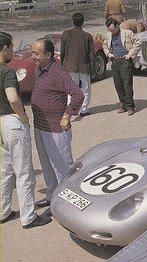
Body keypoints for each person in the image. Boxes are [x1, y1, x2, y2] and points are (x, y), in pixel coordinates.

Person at [0, 32, 51, 229]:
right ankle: (28, 216)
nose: (12, 51)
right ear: (4, 49)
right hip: (12, 122)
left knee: (5, 171)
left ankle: (3, 211)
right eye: (11, 48)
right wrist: (23, 116)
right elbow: (13, 98)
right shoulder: (7, 72)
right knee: (23, 171)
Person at [31, 38, 84, 208]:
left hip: (55, 129)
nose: (33, 57)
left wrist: (67, 115)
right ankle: (53, 195)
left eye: (36, 53)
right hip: (40, 126)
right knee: (47, 165)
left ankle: (67, 203)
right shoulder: (39, 69)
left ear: (48, 54)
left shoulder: (59, 73)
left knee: (62, 167)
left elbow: (78, 95)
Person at [103, 18, 141, 115]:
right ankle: (123, 104)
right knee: (118, 84)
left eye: (112, 29)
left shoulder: (127, 33)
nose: (111, 32)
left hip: (125, 60)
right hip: (115, 61)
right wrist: (108, 54)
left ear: (117, 26)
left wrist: (130, 54)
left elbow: (138, 42)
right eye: (109, 30)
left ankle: (130, 106)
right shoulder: (108, 35)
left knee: (127, 84)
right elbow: (105, 46)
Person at [61, 12, 95, 117]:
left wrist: (63, 64)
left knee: (71, 89)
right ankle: (83, 109)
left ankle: (71, 109)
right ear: (83, 22)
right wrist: (92, 68)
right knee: (85, 88)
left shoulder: (65, 34)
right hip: (84, 66)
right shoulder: (87, 36)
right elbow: (91, 54)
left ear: (72, 21)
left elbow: (62, 52)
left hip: (69, 65)